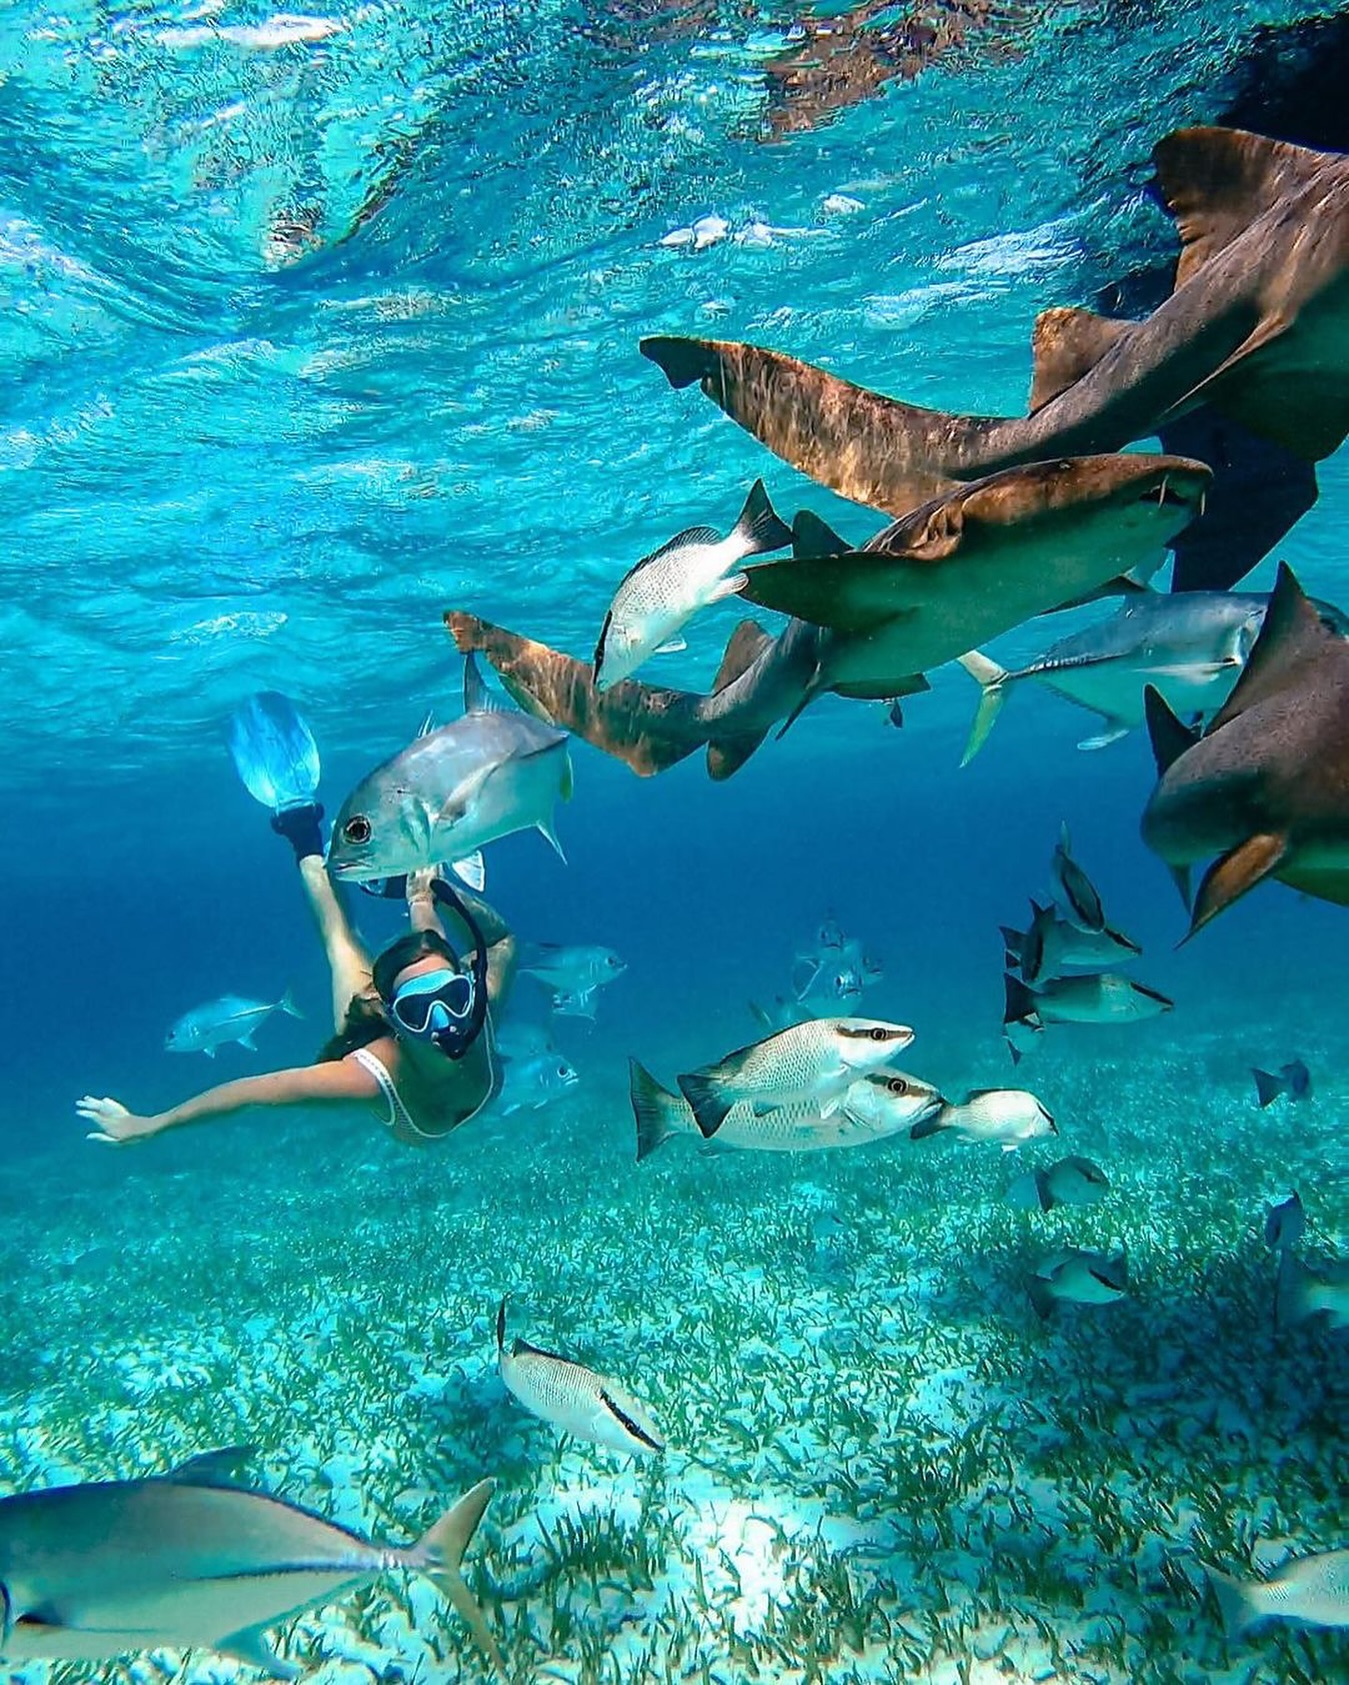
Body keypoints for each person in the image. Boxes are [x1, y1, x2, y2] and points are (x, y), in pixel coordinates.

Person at [77, 802, 517, 1149]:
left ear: (471, 993)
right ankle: (303, 832)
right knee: (341, 939)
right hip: (369, 1015)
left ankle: (419, 893)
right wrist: (151, 1125)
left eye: (455, 998)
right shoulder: (368, 1076)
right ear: (393, 1016)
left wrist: (443, 894)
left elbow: (499, 943)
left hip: (423, 972)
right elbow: (251, 1093)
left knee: (428, 949)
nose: (444, 1020)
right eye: (416, 1010)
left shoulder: (481, 1009)